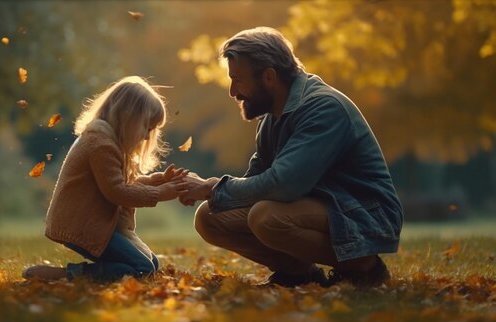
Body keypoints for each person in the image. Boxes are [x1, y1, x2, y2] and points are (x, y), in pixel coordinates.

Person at [180, 27, 403, 288]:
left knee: (265, 217)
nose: (232, 91)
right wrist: (208, 190)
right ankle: (298, 274)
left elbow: (282, 185)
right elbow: (255, 181)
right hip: (319, 206)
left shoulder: (324, 108)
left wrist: (213, 187)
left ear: (269, 77)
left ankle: (364, 268)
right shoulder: (272, 117)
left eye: (238, 80)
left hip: (364, 212)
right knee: (209, 216)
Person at [23, 76, 188, 282]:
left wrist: (159, 180)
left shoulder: (106, 139)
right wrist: (160, 193)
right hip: (82, 225)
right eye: (147, 127)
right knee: (143, 269)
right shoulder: (101, 144)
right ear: (129, 118)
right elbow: (117, 192)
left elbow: (122, 183)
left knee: (151, 264)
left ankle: (86, 273)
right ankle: (67, 275)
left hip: (94, 223)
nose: (147, 137)